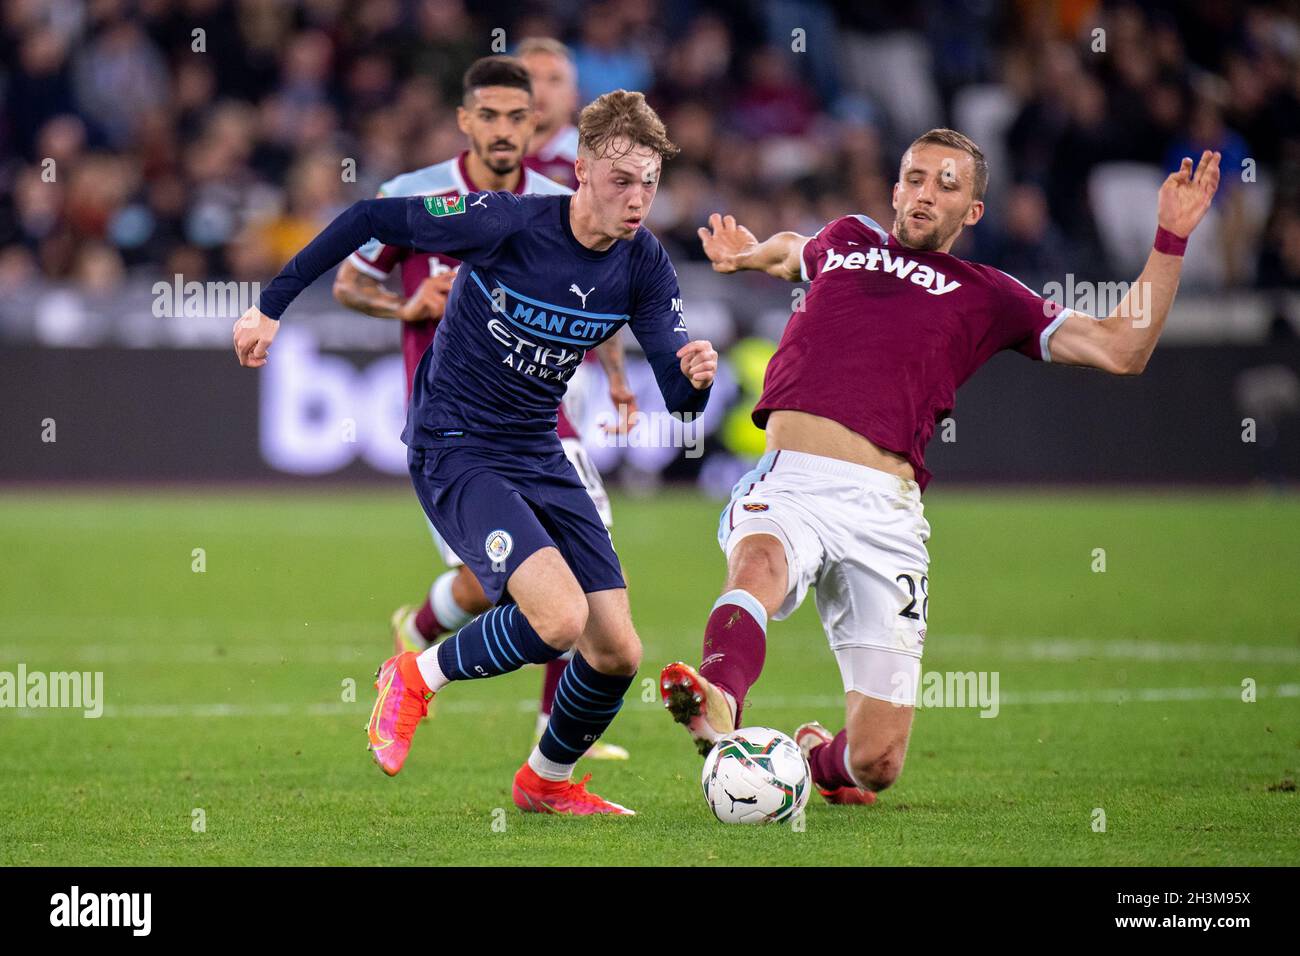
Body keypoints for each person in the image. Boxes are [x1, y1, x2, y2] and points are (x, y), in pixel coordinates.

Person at [660, 128, 1221, 805]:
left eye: (947, 186)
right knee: (759, 566)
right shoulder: (846, 241)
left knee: (877, 762)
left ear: (972, 212)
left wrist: (1170, 240)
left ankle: (813, 758)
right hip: (794, 480)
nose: (926, 193)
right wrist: (750, 254)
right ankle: (719, 696)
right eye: (916, 178)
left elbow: (1121, 348)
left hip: (887, 514)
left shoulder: (989, 294)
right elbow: (791, 252)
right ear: (896, 189)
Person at [234, 90, 717, 815]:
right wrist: (271, 306)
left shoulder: (643, 262)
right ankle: (414, 676)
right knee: (557, 621)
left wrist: (695, 380)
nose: (638, 198)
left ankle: (544, 784)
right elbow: (370, 218)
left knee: (618, 651)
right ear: (581, 170)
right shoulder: (508, 222)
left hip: (537, 449)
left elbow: (680, 400)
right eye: (622, 179)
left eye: (649, 182)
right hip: (456, 442)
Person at [331, 55, 630, 760]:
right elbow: (349, 283)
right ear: (465, 121)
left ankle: (555, 735)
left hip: (545, 422)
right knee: (495, 586)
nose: (504, 130)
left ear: (537, 124)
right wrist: (402, 303)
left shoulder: (561, 203)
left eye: (517, 117)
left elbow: (608, 297)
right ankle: (420, 635)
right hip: (455, 425)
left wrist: (617, 378)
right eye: (489, 116)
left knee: (578, 571)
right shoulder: (416, 194)